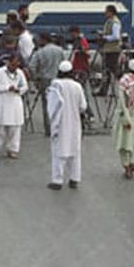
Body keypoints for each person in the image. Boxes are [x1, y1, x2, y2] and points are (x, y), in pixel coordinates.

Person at [47, 61, 87, 190]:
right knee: (74, 151)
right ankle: (74, 178)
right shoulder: (77, 86)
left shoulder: (56, 85)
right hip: (75, 122)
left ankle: (57, 180)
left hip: (60, 122)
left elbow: (53, 105)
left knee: (59, 151)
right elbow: (83, 106)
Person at [0, 55, 27, 158]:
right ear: (8, 63)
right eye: (13, 64)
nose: (15, 67)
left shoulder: (20, 73)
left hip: (15, 101)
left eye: (17, 64)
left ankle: (13, 149)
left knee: (15, 128)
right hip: (2, 101)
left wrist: (19, 90)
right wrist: (7, 88)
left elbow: (25, 86)